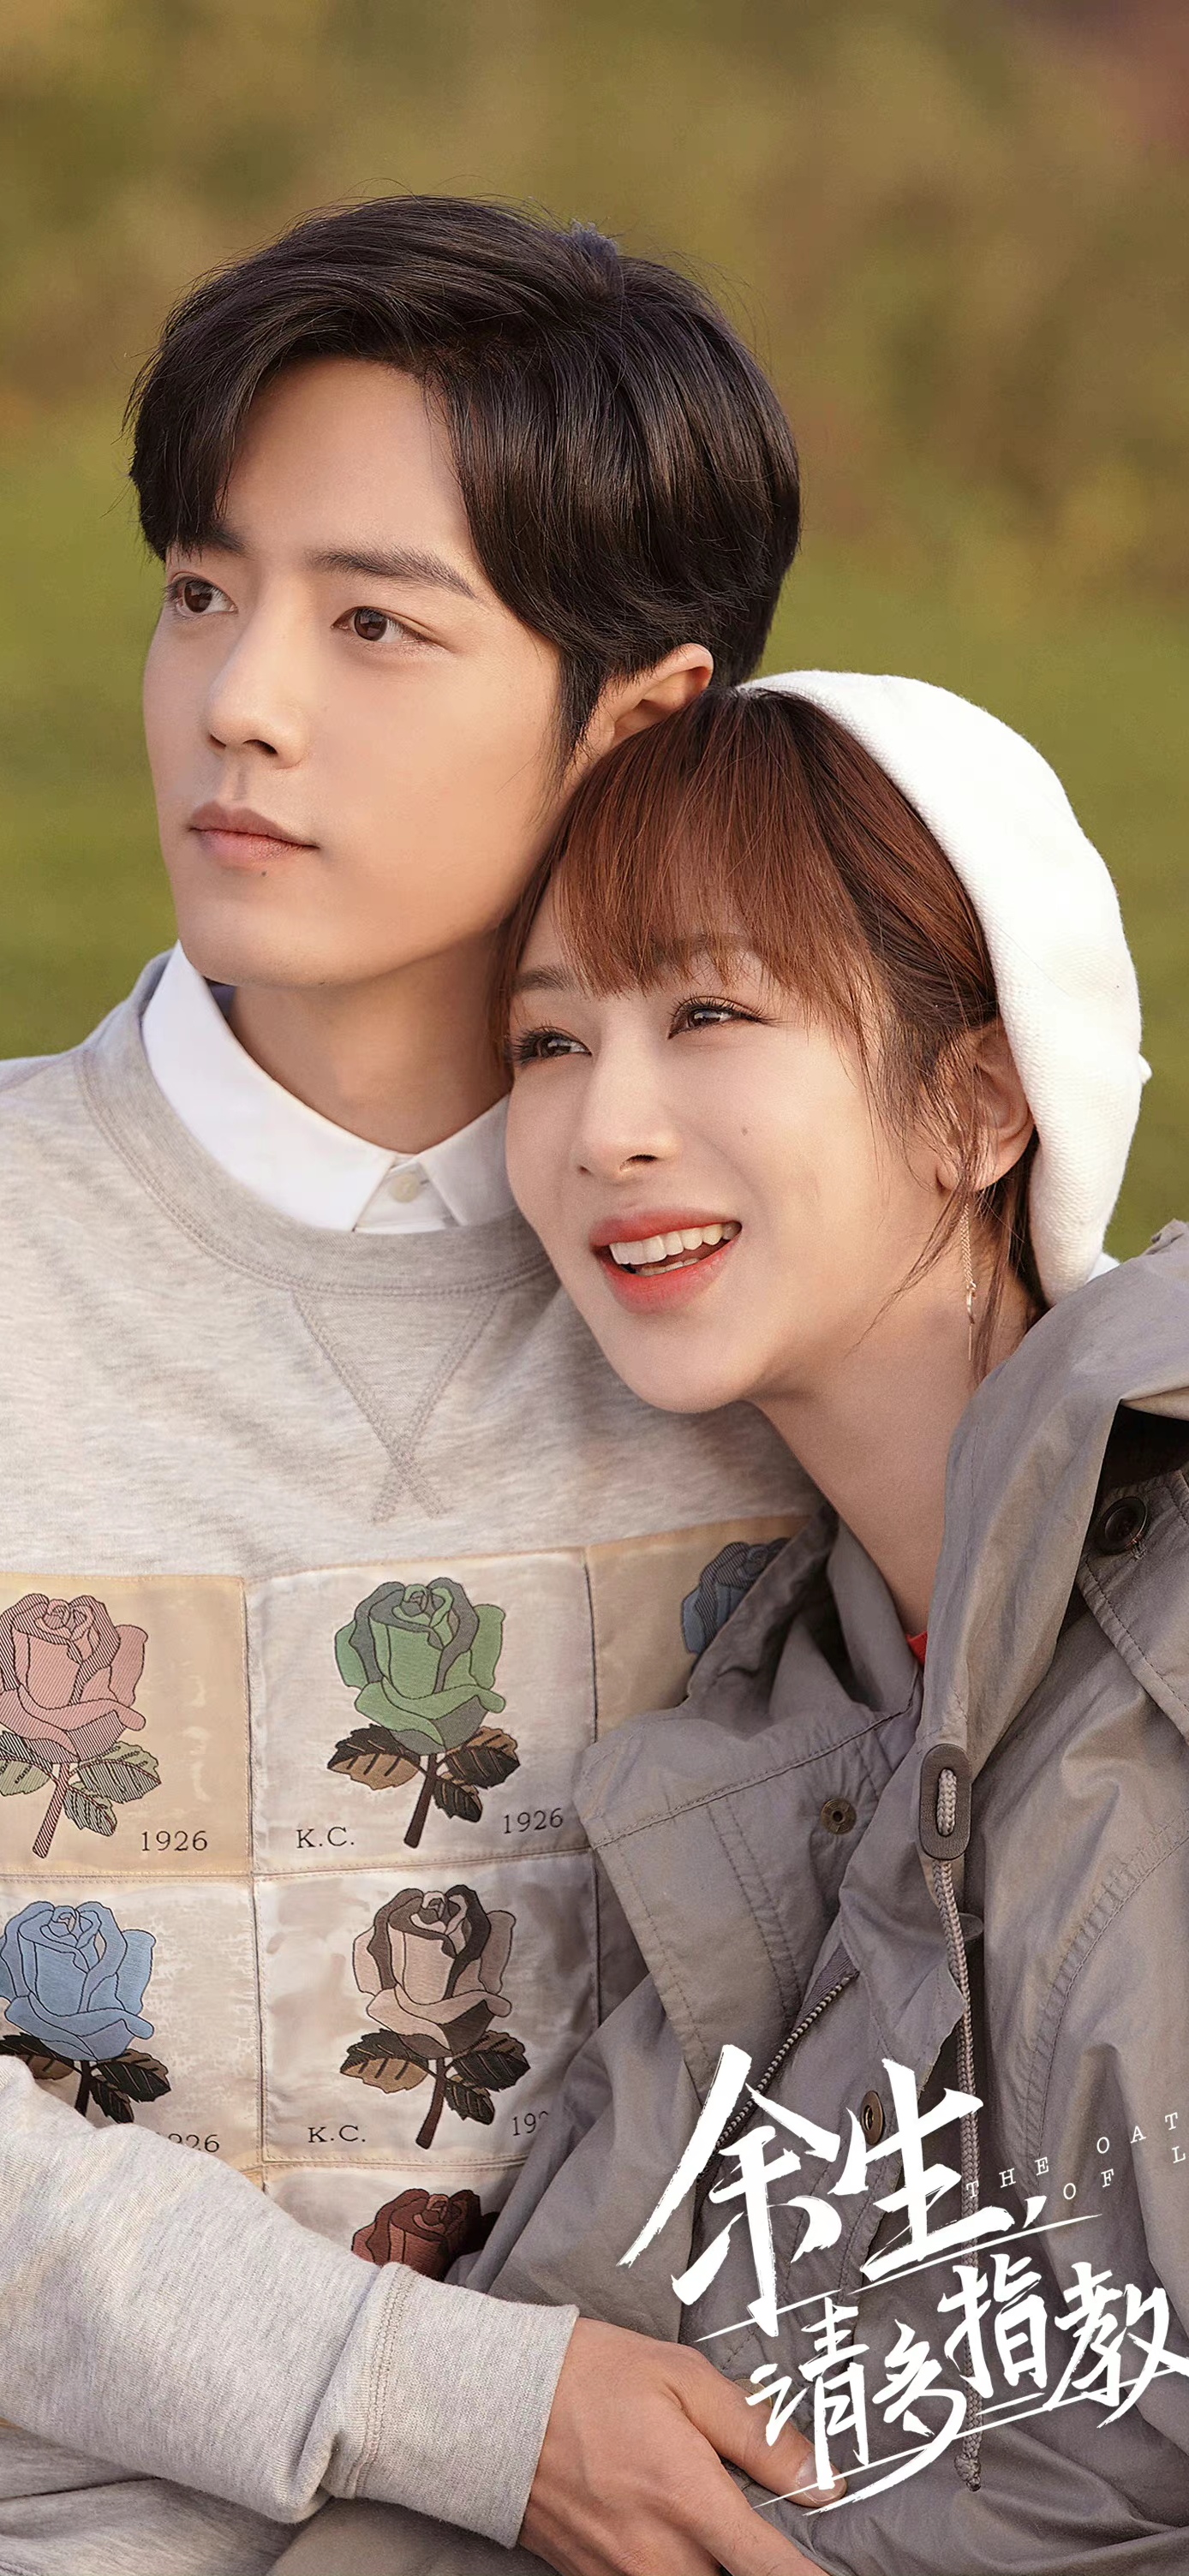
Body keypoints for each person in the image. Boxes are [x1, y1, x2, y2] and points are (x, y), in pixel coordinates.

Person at [0, 200, 844, 2576]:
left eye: (373, 621)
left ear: (639, 718)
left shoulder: (797, 1328)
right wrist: (436, 2403)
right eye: (201, 588)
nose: (238, 698)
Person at [342, 671, 1186, 2575]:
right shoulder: (785, 1728)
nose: (604, 1126)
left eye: (709, 1013)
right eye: (549, 1041)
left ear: (979, 1103)